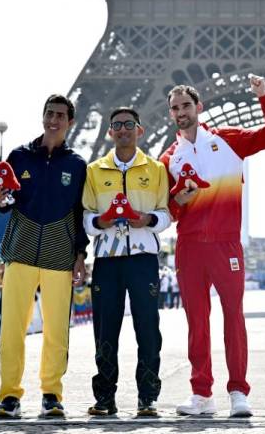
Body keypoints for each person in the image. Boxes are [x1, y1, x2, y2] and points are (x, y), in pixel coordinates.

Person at [160, 77, 265, 418]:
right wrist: (179, 199)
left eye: (187, 105)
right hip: (189, 246)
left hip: (225, 244)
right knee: (196, 322)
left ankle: (238, 392)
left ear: (199, 108)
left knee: (234, 317)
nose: (181, 112)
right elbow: (168, 212)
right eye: (175, 108)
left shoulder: (228, 139)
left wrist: (264, 97)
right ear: (171, 114)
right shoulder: (168, 158)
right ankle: (201, 394)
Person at [0, 94, 88, 419]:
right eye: (50, 113)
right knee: (12, 329)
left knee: (57, 330)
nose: (54, 120)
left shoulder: (77, 164)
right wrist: (1, 200)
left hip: (59, 256)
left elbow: (80, 211)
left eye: (61, 115)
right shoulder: (19, 156)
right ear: (43, 116)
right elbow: (6, 202)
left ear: (70, 122)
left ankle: (51, 394)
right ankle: (9, 396)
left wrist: (80, 254)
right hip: (19, 252)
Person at [82, 107, 171, 417]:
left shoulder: (157, 169)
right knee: (105, 330)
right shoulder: (94, 170)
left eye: (128, 125)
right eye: (117, 125)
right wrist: (102, 222)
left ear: (139, 130)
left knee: (148, 328)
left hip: (143, 259)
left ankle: (148, 396)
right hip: (107, 260)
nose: (122, 130)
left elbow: (165, 215)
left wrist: (147, 218)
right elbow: (85, 218)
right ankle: (105, 397)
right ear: (110, 132)